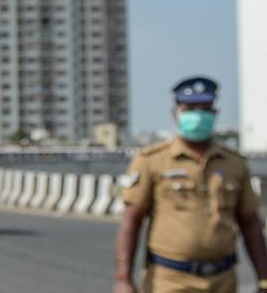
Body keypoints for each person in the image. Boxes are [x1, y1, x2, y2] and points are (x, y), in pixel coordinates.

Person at [114, 77, 267, 293]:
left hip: (222, 280)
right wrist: (123, 278)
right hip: (170, 280)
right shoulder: (151, 160)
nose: (198, 115)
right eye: (191, 108)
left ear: (215, 113)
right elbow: (131, 221)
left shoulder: (235, 164)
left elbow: (251, 224)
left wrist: (264, 280)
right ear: (176, 112)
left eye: (204, 109)